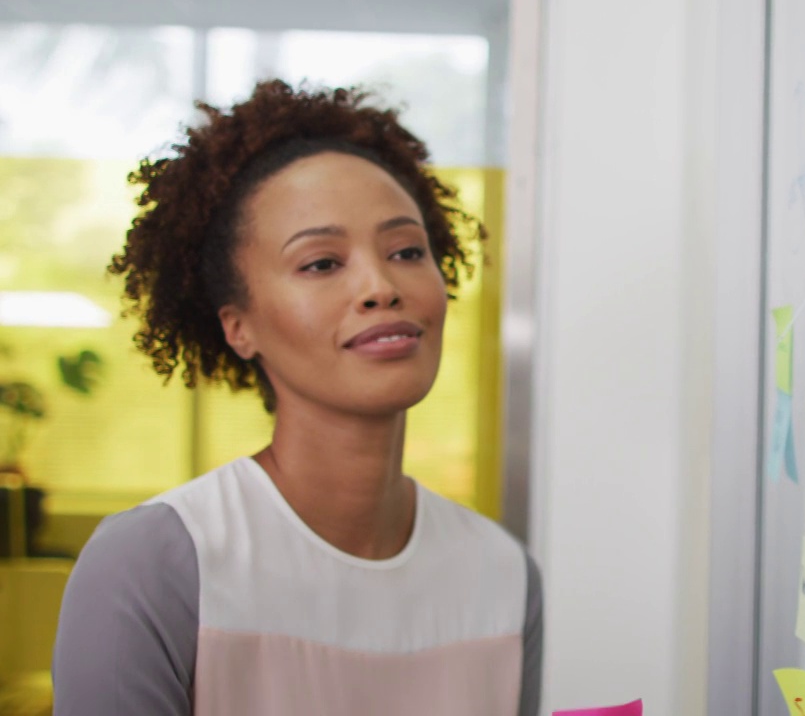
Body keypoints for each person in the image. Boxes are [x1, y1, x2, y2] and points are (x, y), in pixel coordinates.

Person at [50, 80, 541, 716]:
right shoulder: (157, 566)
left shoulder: (504, 578)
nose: (380, 285)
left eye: (406, 251)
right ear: (239, 326)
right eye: (320, 263)